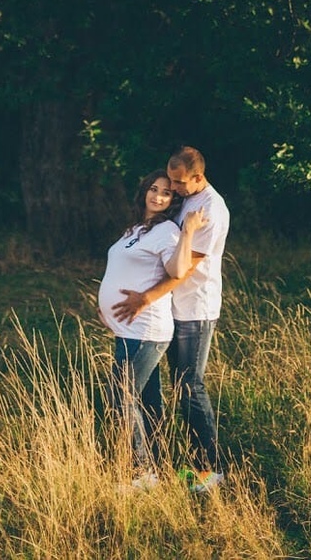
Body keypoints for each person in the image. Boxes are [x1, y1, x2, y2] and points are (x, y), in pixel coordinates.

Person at [112, 146, 230, 495]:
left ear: (198, 177)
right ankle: (157, 463)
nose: (173, 187)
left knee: (190, 386)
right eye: (171, 180)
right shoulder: (185, 200)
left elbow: (183, 270)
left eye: (179, 182)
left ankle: (209, 470)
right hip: (171, 310)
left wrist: (145, 299)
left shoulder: (211, 208)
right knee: (161, 388)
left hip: (195, 310)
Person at [97, 169, 207, 489]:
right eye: (154, 189)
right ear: (144, 190)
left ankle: (140, 473)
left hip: (146, 330)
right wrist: (105, 302)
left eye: (167, 193)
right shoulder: (135, 229)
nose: (158, 196)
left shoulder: (167, 231)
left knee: (120, 396)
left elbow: (177, 270)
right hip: (127, 330)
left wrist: (187, 232)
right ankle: (159, 469)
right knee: (147, 403)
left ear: (173, 201)